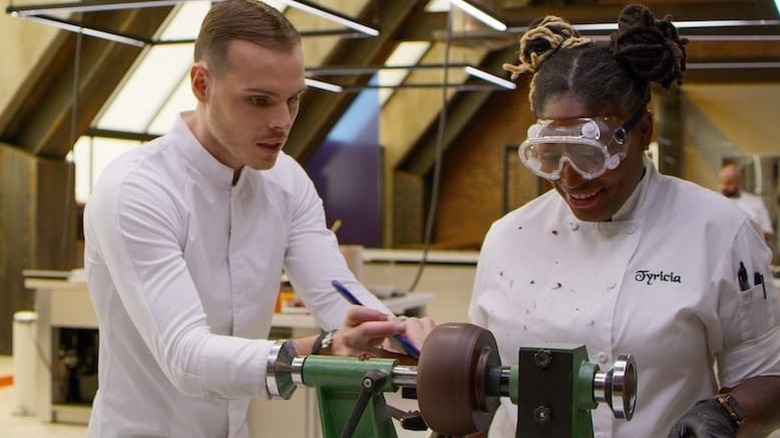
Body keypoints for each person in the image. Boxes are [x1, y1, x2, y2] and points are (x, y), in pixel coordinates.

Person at [82, 1, 434, 436]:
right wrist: (322, 348)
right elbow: (186, 358)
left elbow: (335, 295)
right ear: (201, 83)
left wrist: (404, 336)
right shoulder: (136, 190)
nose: (282, 122)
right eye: (259, 101)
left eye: (293, 100)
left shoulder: (286, 180)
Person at [469, 4, 780, 437]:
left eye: (590, 155)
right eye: (552, 155)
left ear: (643, 131)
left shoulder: (718, 232)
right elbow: (475, 382)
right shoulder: (508, 238)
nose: (570, 177)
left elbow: (767, 377)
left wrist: (725, 414)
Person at [719, 162, 775, 250]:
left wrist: (747, 235)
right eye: (722, 183)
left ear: (739, 182)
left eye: (729, 183)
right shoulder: (716, 202)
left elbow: (768, 232)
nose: (724, 187)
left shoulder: (755, 202)